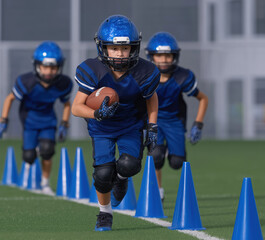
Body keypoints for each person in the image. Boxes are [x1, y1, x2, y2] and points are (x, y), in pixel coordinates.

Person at [72, 15, 160, 231]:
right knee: (102, 175)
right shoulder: (92, 70)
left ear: (134, 48)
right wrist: (97, 115)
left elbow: (152, 97)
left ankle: (120, 178)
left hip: (130, 125)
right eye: (113, 48)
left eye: (125, 48)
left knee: (129, 165)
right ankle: (105, 213)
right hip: (102, 128)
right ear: (103, 48)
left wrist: (152, 125)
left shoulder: (144, 72)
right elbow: (77, 107)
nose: (120, 54)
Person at [0, 41, 73, 195]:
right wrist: (3, 120)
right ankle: (26, 177)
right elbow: (10, 99)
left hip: (48, 120)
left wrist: (64, 123)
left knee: (47, 151)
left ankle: (45, 183)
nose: (49, 71)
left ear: (59, 66)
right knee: (29, 155)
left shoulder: (63, 84)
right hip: (29, 120)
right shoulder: (27, 82)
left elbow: (67, 104)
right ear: (37, 66)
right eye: (45, 67)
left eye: (53, 67)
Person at [145, 32, 208, 202]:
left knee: (177, 163)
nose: (163, 59)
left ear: (175, 56)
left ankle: (167, 152)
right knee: (155, 156)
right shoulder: (145, 76)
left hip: (174, 121)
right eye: (159, 55)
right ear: (151, 57)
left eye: (167, 55)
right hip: (154, 119)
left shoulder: (182, 76)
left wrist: (198, 124)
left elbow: (203, 98)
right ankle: (158, 190)